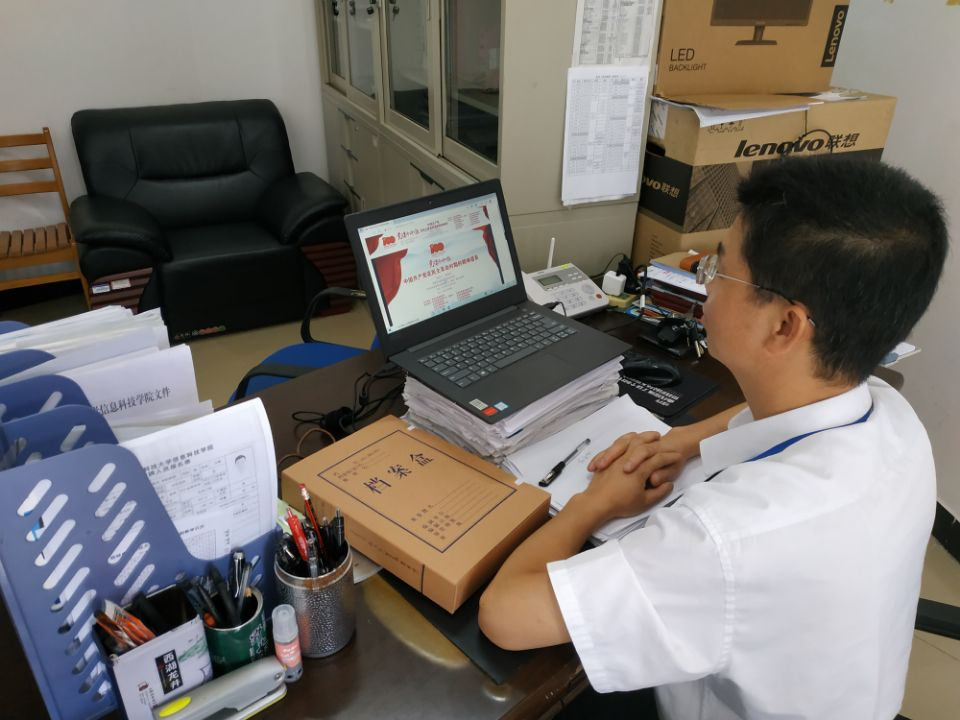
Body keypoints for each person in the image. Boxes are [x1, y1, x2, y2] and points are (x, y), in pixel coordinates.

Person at [478, 155, 949, 720]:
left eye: (718, 271)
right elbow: (757, 417)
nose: (704, 286)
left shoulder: (725, 541)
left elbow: (505, 616)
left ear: (784, 325)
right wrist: (682, 442)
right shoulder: (892, 416)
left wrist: (591, 505)